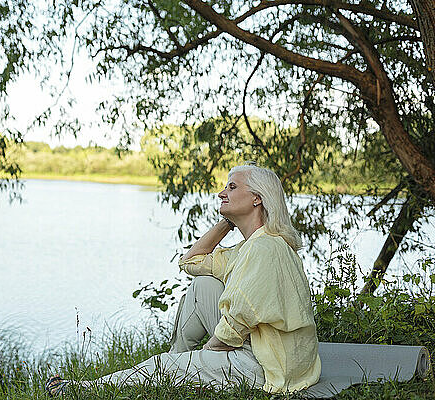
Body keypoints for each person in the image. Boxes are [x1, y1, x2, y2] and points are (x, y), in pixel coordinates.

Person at [46, 163, 321, 396]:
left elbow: (237, 322)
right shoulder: (254, 245)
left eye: (232, 188)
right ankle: (179, 359)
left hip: (268, 368)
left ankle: (81, 389)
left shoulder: (264, 249)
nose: (221, 193)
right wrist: (229, 221)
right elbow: (191, 262)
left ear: (257, 198)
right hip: (276, 354)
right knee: (203, 284)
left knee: (162, 367)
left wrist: (210, 353)